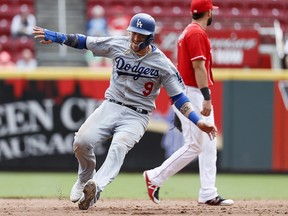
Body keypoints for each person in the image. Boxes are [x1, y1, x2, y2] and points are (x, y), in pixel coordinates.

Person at [33, 12, 217, 211]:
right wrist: (56, 37)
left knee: (118, 146)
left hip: (138, 115)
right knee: (81, 142)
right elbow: (84, 41)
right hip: (111, 105)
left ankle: (96, 186)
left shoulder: (162, 64)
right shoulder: (118, 44)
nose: (135, 38)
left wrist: (198, 121)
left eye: (141, 35)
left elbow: (179, 98)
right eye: (133, 33)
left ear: (150, 37)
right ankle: (85, 178)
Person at [143, 0, 234, 206]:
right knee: (195, 145)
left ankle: (208, 192)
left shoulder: (189, 31)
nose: (213, 14)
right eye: (212, 11)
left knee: (209, 143)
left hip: (189, 91)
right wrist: (206, 97)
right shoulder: (196, 33)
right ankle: (155, 177)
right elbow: (198, 67)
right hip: (193, 92)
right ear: (208, 12)